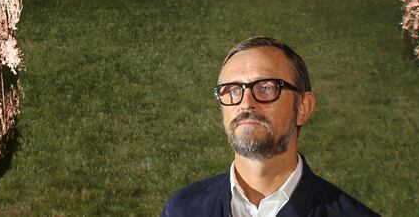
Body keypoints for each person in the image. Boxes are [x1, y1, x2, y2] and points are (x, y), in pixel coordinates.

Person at [160, 37, 379, 217]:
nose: (246, 103)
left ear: (303, 107)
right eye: (233, 90)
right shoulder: (181, 210)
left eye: (266, 87)